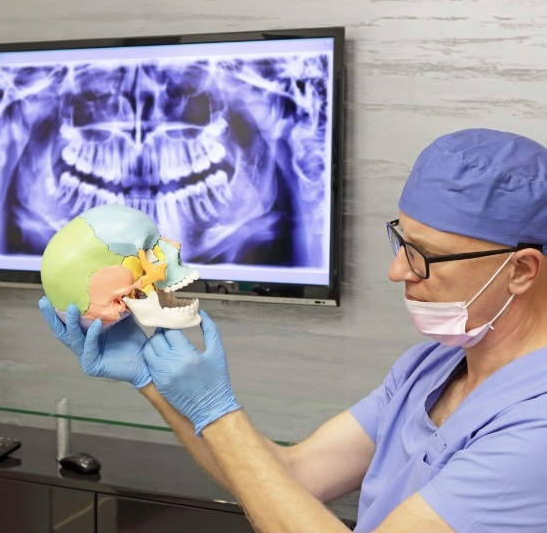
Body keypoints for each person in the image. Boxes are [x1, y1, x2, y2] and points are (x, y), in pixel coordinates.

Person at [39, 128, 547, 532]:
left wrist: (216, 413)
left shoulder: (536, 431)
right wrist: (154, 380)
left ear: (522, 269)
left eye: (425, 257)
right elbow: (292, 477)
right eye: (401, 241)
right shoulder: (429, 367)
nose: (397, 271)